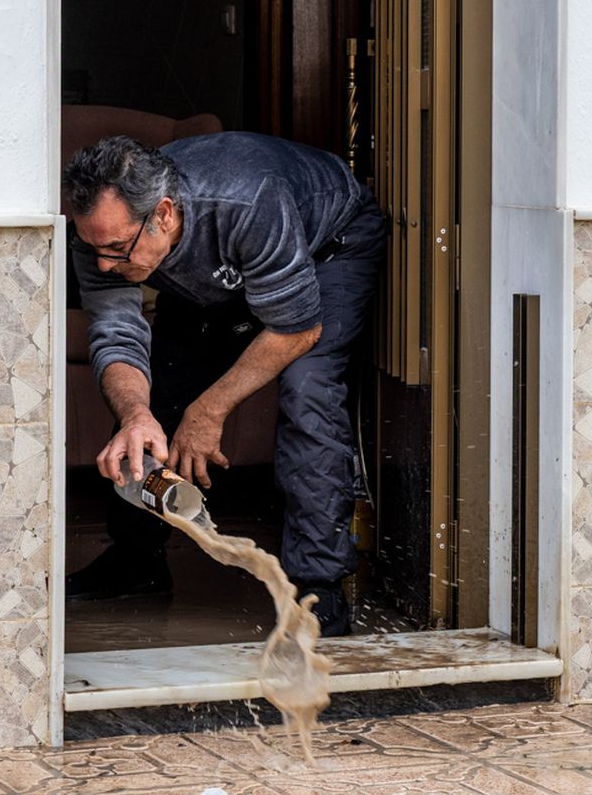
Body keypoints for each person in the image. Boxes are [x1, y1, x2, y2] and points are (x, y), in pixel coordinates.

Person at [63, 132, 385, 636]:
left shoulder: (246, 198)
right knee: (159, 386)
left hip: (330, 246)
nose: (104, 263)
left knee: (309, 388)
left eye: (116, 249)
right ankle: (136, 561)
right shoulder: (103, 234)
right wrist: (135, 415)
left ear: (164, 214)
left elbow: (297, 328)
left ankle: (316, 587)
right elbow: (118, 333)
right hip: (216, 270)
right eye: (93, 248)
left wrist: (209, 410)